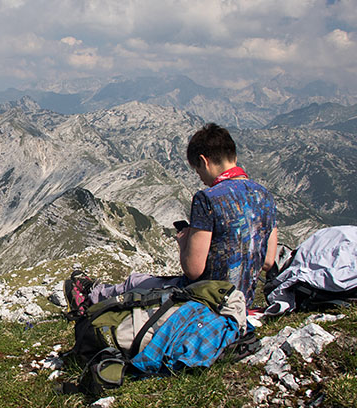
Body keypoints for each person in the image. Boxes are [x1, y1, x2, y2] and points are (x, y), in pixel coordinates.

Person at [71, 123, 277, 311]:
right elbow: (268, 261)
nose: (201, 179)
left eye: (197, 171)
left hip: (206, 300)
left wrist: (184, 242)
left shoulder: (208, 198)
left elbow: (194, 270)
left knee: (136, 283)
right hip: (242, 303)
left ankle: (89, 298)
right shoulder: (265, 195)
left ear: (204, 162)